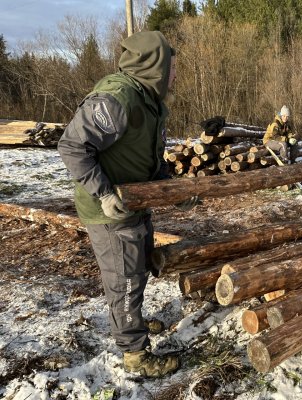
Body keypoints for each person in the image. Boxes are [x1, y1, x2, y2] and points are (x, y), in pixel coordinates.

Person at [58, 31, 199, 378]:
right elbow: (72, 146)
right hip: (110, 211)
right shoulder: (117, 99)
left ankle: (129, 322)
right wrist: (104, 193)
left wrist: (174, 192)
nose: (175, 74)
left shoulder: (148, 101)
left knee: (135, 270)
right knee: (124, 277)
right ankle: (134, 353)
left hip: (134, 205)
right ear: (155, 66)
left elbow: (149, 164)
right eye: (171, 67)